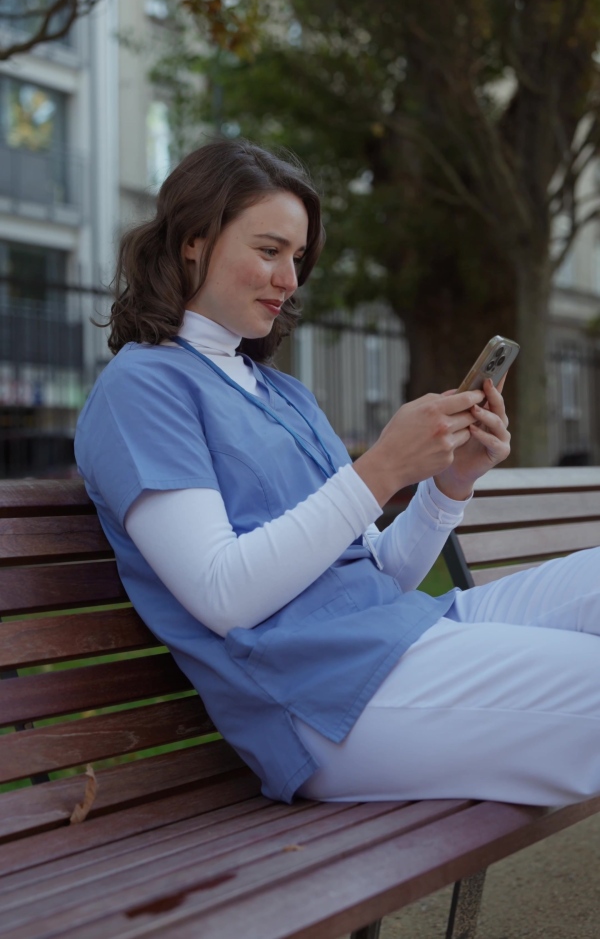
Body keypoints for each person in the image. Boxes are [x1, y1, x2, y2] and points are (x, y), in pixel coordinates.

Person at [75, 138, 600, 808]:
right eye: (268, 251)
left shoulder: (282, 394)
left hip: (407, 635)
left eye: (296, 257)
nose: (290, 280)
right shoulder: (143, 389)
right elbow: (221, 594)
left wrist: (448, 483)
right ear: (193, 242)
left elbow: (376, 575)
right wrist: (381, 469)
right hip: (327, 702)